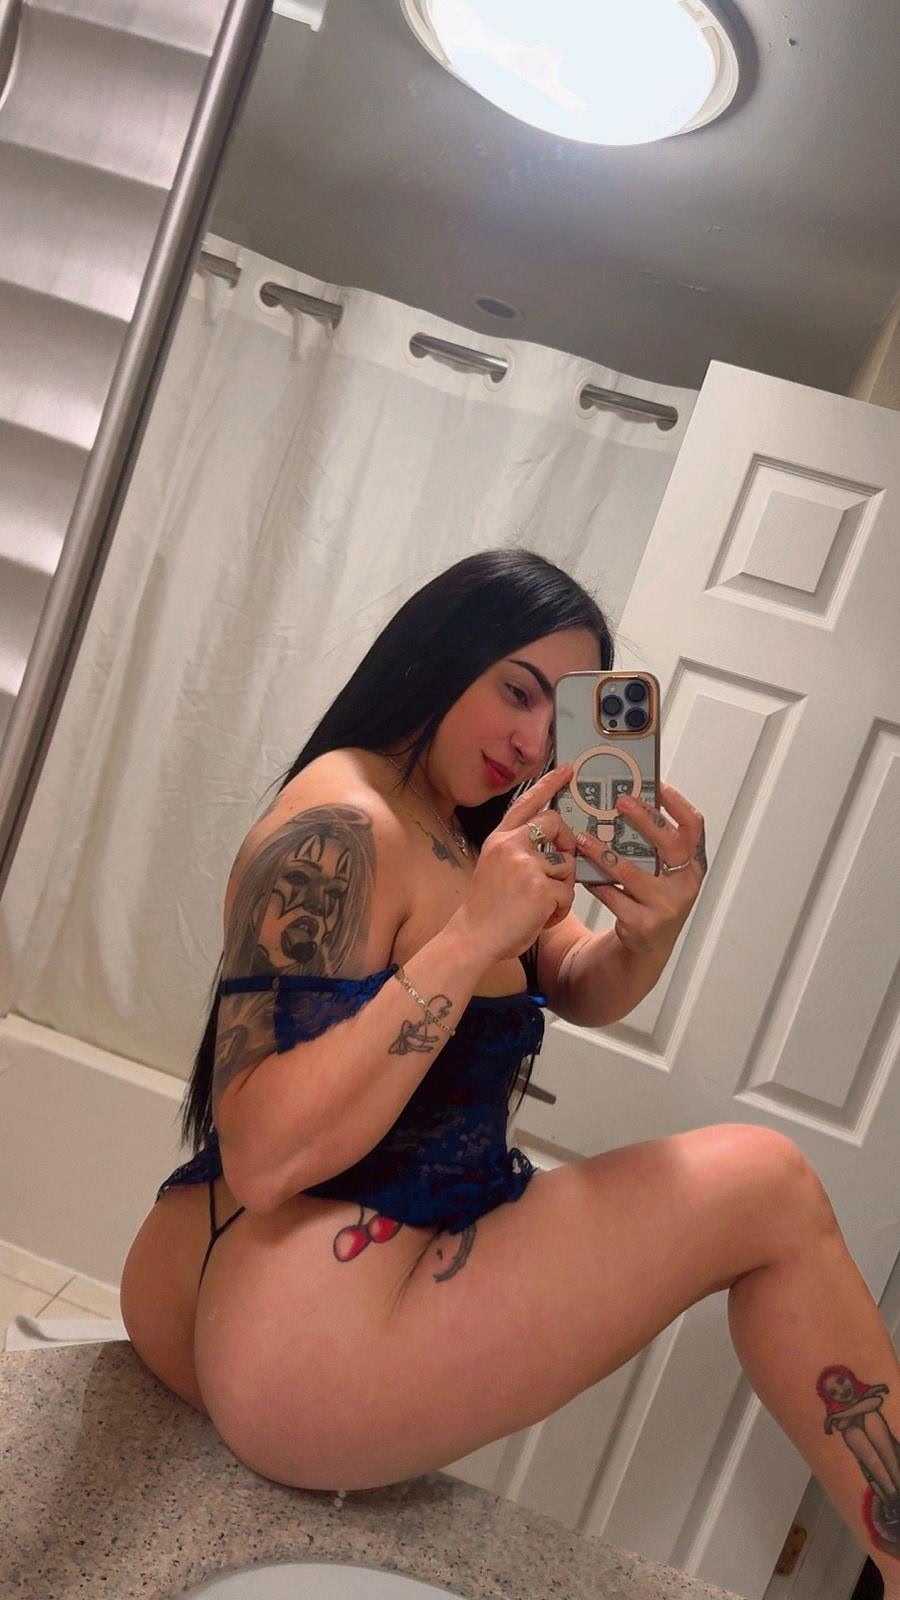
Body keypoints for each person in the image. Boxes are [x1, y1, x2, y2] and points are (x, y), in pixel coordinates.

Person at [120, 549, 900, 1599]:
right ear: (442, 654)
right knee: (767, 1183)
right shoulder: (340, 825)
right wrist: (471, 935)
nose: (534, 742)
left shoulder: (458, 828)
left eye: (558, 714)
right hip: (301, 1357)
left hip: (222, 1304)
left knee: (763, 1181)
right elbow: (261, 1155)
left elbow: (566, 976)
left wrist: (653, 931)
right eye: (517, 691)